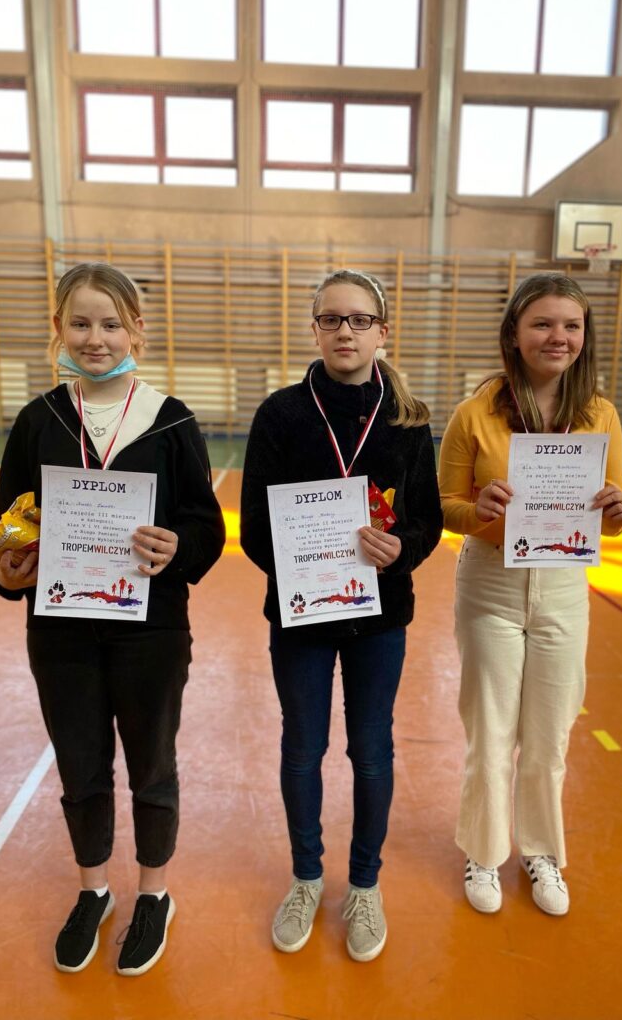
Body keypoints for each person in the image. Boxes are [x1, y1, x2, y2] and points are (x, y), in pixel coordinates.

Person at [0, 263, 225, 975]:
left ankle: (154, 892)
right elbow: (7, 528)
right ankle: (93, 889)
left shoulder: (170, 419)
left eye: (111, 324)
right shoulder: (39, 421)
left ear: (137, 331)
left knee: (152, 765)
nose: (96, 338)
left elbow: (206, 528)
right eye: (82, 323)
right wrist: (7, 570)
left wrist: (177, 546)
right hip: (60, 630)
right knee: (80, 765)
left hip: (152, 631)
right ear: (59, 329)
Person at [240, 269, 442, 962]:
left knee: (371, 749)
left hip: (379, 619)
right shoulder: (280, 414)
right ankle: (306, 878)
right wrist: (307, 569)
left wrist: (400, 550)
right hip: (300, 615)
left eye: (359, 320)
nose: (345, 331)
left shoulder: (409, 419)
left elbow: (427, 521)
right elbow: (254, 530)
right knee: (303, 748)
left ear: (383, 332)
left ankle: (364, 884)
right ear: (315, 329)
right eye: (331, 319)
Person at [438, 272, 622, 918]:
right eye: (543, 323)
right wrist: (478, 510)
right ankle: (484, 851)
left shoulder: (600, 414)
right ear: (514, 334)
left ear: (585, 335)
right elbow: (443, 506)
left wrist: (619, 510)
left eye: (571, 325)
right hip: (490, 584)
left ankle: (542, 851)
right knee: (490, 730)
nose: (558, 337)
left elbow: (611, 513)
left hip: (563, 586)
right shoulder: (475, 413)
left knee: (549, 736)